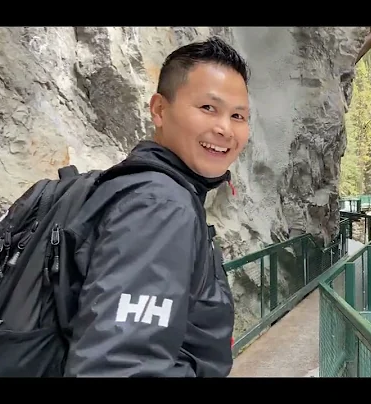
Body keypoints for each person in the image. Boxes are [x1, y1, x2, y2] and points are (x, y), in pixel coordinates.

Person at [61, 36, 251, 377]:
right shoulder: (160, 206)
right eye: (208, 108)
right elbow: (117, 368)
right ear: (160, 110)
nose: (225, 128)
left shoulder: (138, 186)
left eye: (238, 115)